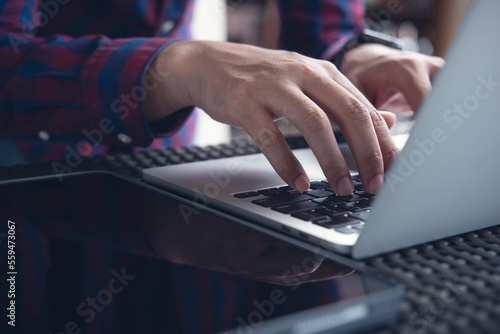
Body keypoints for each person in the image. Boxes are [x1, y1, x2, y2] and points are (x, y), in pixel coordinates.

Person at [0, 0, 444, 332]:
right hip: (37, 192)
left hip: (170, 178)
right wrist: (177, 66)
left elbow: (322, 24)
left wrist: (349, 53)